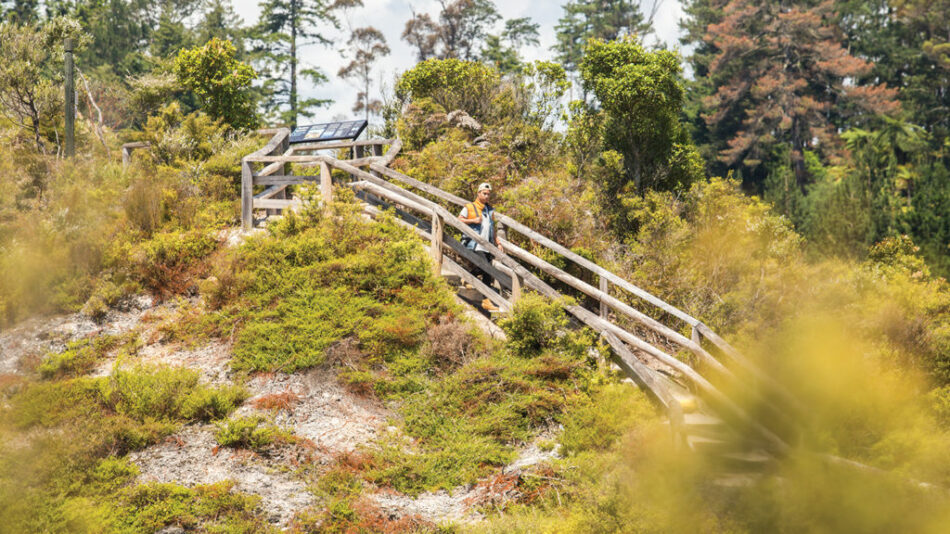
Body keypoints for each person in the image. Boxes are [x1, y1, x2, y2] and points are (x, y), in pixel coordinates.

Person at [458, 182, 504, 312]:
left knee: (487, 273)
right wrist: (472, 221)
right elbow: (459, 219)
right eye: (484, 193)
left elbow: (492, 229)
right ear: (478, 193)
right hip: (474, 244)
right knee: (486, 268)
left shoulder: (490, 210)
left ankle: (468, 279)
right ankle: (486, 300)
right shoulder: (470, 207)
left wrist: (498, 242)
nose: (487, 196)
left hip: (487, 245)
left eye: (488, 194)